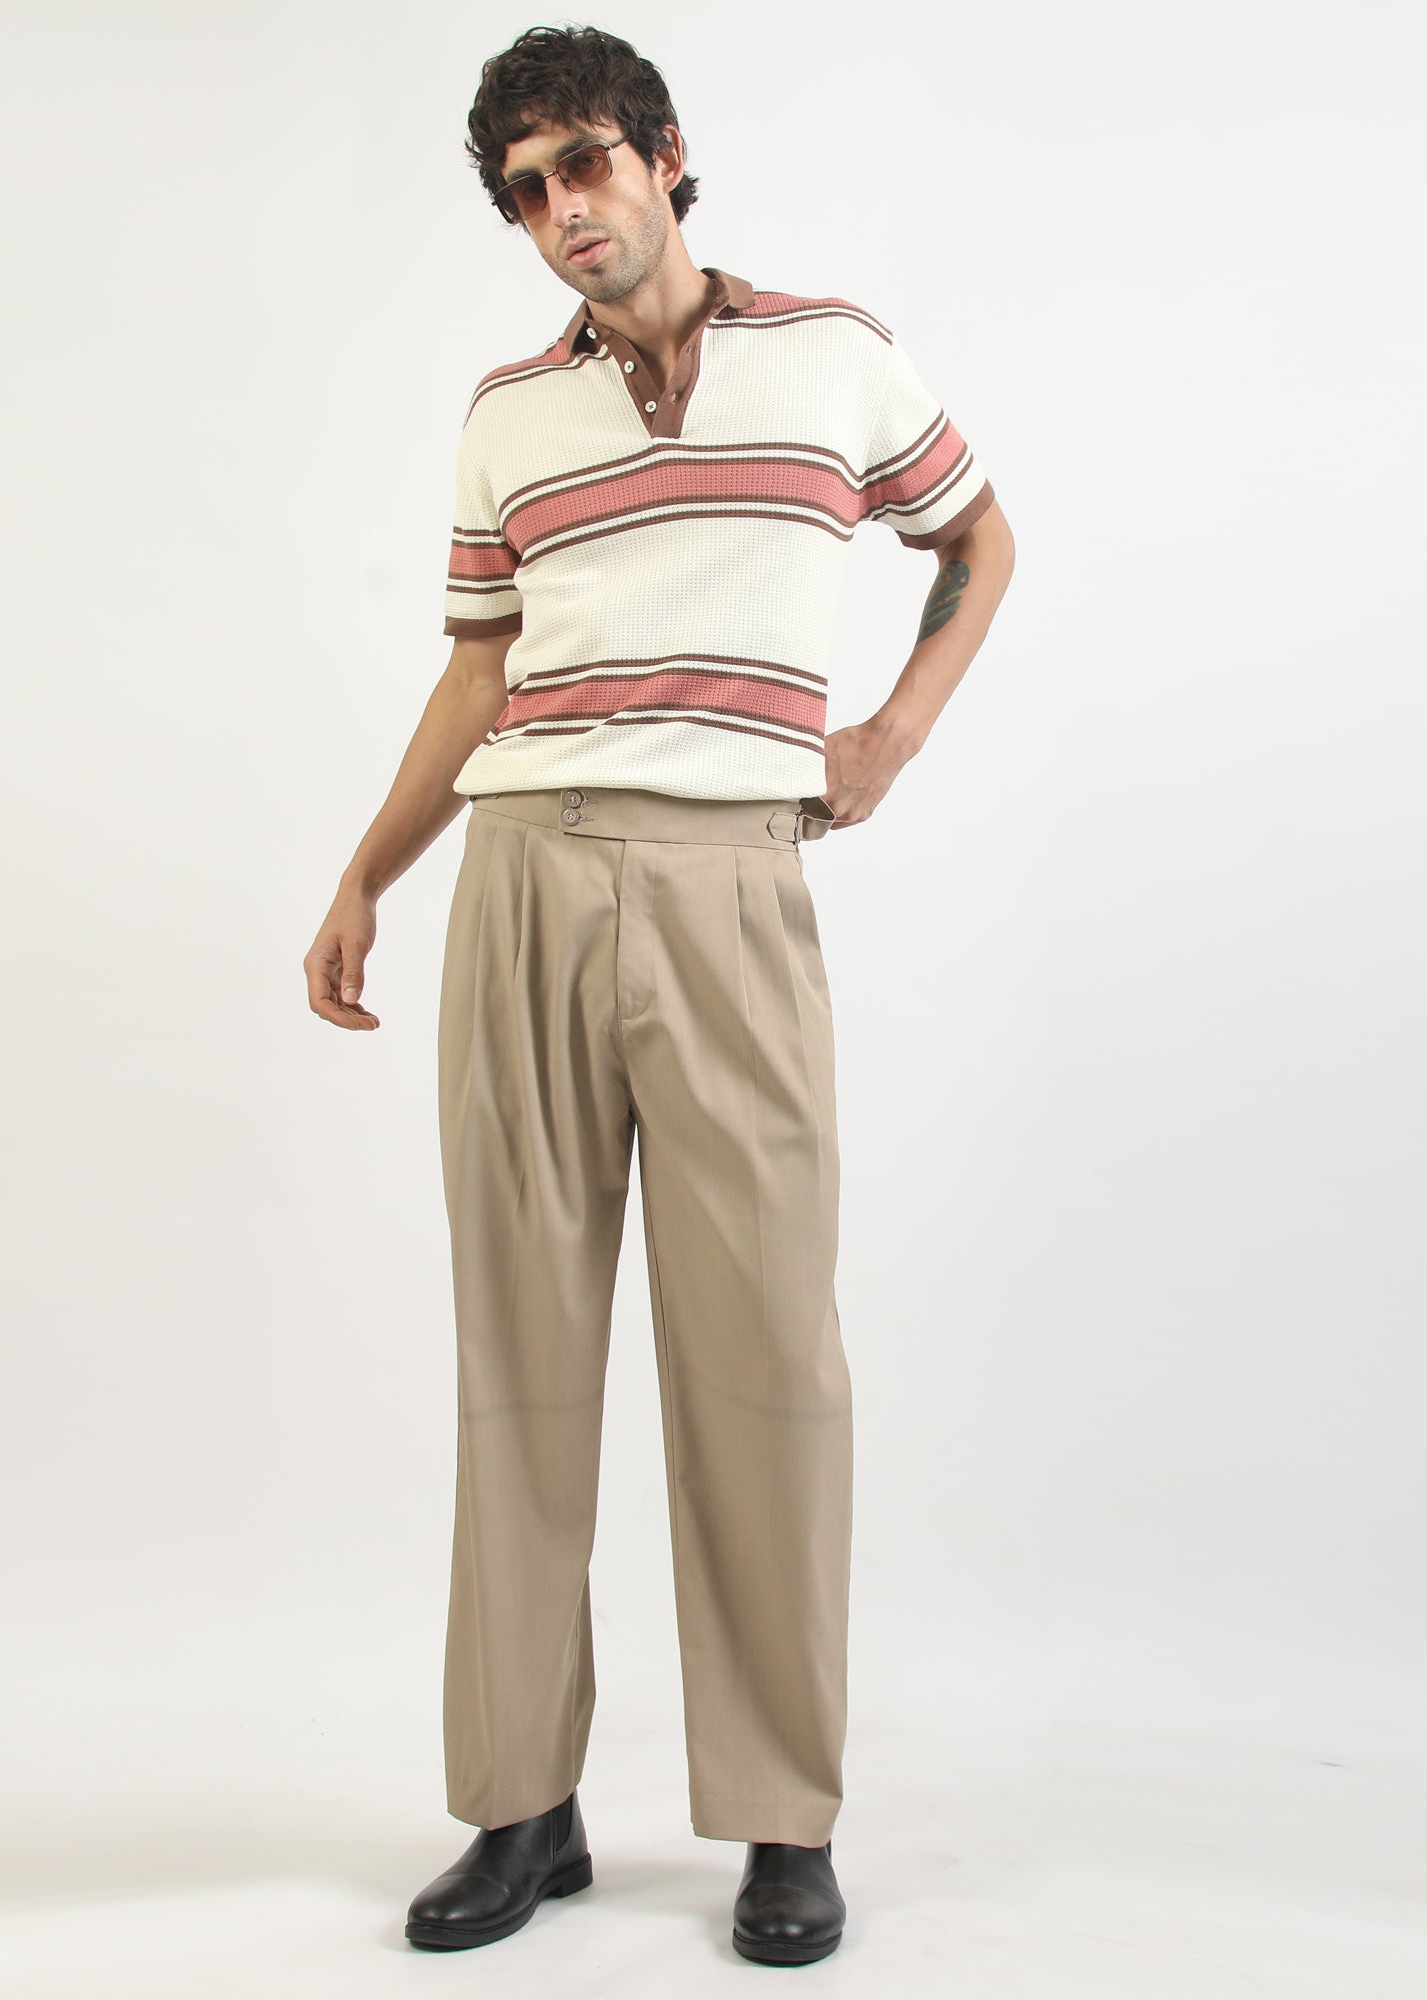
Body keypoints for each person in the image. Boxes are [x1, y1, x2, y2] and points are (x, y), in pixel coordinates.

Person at [303, 23, 1014, 1967]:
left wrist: (888, 737)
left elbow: (976, 531)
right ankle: (523, 1807)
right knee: (520, 1355)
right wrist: (369, 871)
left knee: (767, 1357)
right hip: (525, 878)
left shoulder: (835, 357)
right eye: (525, 192)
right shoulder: (507, 416)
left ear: (666, 153)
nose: (562, 212)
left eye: (585, 164)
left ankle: (786, 1816)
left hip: (732, 882)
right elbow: (478, 673)